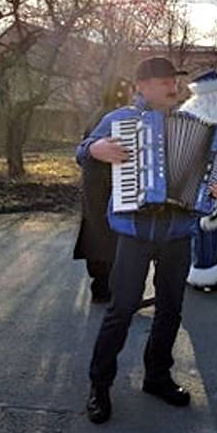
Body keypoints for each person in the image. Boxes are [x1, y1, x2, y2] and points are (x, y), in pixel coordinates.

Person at [76, 57, 217, 425]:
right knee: (121, 309)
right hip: (134, 233)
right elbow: (83, 150)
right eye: (164, 80)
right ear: (141, 86)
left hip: (178, 234)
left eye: (174, 80)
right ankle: (99, 385)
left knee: (170, 309)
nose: (172, 86)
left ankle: (157, 376)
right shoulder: (118, 120)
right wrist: (94, 151)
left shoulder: (197, 127)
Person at [73, 77, 133, 303]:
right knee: (107, 236)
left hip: (94, 183)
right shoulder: (113, 117)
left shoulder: (99, 113)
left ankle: (101, 287)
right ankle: (106, 288)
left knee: (96, 233)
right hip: (105, 183)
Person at [181, 69, 217, 292]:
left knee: (200, 230)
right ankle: (205, 274)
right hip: (209, 192)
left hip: (190, 192)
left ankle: (200, 272)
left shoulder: (184, 115)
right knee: (209, 229)